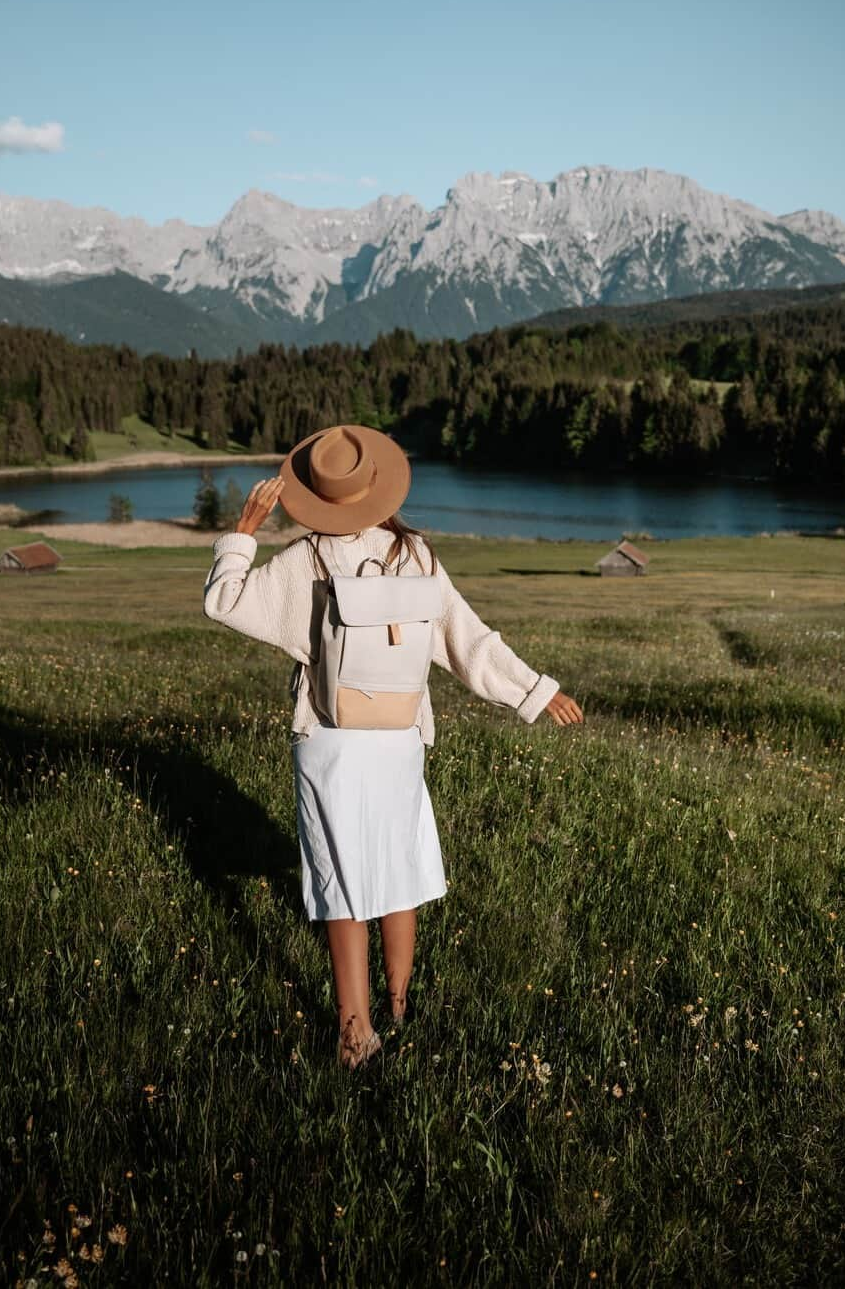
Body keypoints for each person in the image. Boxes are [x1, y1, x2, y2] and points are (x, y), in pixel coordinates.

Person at [203, 424, 583, 1068]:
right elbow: (469, 642)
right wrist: (535, 691)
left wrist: (244, 530)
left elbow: (223, 601)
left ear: (315, 497)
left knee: (341, 885)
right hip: (400, 739)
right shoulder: (417, 556)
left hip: (330, 741)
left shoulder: (305, 563)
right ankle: (401, 1006)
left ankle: (357, 1032)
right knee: (398, 870)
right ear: (377, 487)